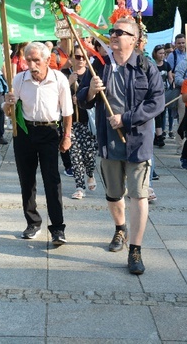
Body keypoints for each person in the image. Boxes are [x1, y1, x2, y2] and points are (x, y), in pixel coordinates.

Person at [78, 16, 165, 275]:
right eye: (112, 31)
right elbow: (83, 100)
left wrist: (125, 118)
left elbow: (156, 103)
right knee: (114, 193)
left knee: (138, 195)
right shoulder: (99, 64)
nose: (114, 35)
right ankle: (120, 229)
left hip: (137, 142)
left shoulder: (146, 67)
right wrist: (92, 91)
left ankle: (135, 250)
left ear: (134, 39)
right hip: (108, 141)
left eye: (120, 32)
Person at [3, 42, 73, 246]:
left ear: (47, 60)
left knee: (52, 180)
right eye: (29, 60)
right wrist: (7, 104)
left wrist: (67, 136)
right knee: (27, 179)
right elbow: (8, 111)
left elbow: (67, 112)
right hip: (24, 132)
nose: (32, 65)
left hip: (50, 131)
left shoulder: (59, 79)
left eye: (36, 60)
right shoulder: (19, 79)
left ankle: (58, 228)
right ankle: (32, 222)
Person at [65, 44, 98, 199]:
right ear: (71, 58)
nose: (81, 60)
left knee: (89, 155)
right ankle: (79, 186)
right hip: (71, 122)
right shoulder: (64, 74)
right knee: (75, 155)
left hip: (87, 121)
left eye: (84, 57)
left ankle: (90, 173)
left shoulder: (91, 74)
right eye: (77, 57)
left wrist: (82, 98)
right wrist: (68, 84)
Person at [152, 45, 173, 147]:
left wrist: (172, 84)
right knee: (157, 115)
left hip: (164, 92)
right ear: (155, 54)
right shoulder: (152, 64)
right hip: (154, 92)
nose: (162, 55)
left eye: (163, 53)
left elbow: (169, 77)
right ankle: (159, 136)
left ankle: (159, 134)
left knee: (162, 114)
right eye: (160, 53)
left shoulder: (167, 65)